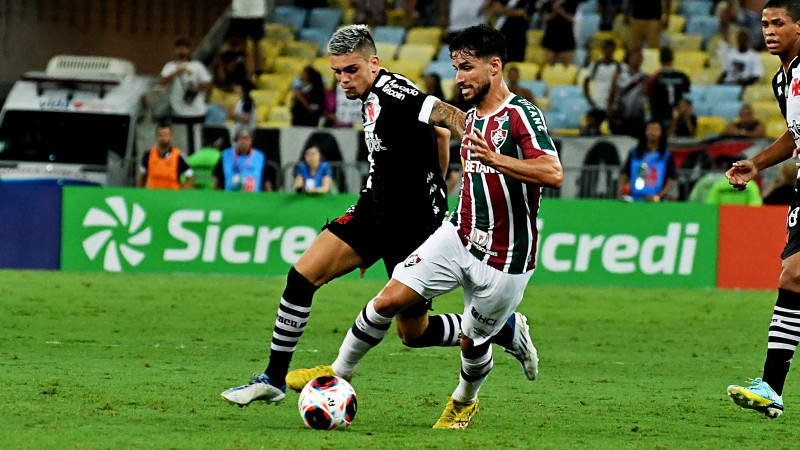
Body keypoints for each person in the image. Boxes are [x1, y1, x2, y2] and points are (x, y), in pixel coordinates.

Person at [220, 24, 539, 407]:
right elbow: (435, 137)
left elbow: (448, 119)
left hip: (413, 228)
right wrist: (435, 179)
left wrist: (451, 176)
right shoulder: (367, 97)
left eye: (351, 70)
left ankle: (503, 329)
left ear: (374, 63)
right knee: (301, 277)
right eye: (337, 72)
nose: (343, 79)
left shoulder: (395, 91)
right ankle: (272, 378)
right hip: (373, 212)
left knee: (413, 334)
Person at [725, 0, 800, 419]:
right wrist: (757, 163)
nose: (769, 30)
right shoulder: (781, 81)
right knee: (792, 280)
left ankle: (772, 386)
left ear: (799, 26)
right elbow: (794, 134)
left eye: (779, 23)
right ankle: (771, 388)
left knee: (793, 275)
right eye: (765, 24)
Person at [160, 38, 214, 155]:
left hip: (196, 111)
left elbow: (209, 84)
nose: (182, 50)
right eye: (179, 47)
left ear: (189, 50)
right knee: (180, 144)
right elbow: (162, 80)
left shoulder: (197, 66)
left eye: (185, 47)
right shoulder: (170, 66)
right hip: (178, 111)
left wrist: (197, 88)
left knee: (197, 142)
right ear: (175, 50)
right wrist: (176, 72)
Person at [619, 120, 676, 202]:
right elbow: (625, 174)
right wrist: (623, 192)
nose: (652, 132)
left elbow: (670, 181)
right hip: (634, 200)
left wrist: (658, 197)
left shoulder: (666, 156)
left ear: (661, 134)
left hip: (655, 201)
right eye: (649, 129)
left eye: (656, 130)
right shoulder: (634, 152)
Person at [212, 127, 272, 192]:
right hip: (230, 196)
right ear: (237, 140)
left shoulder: (259, 157)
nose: (244, 142)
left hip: (253, 197)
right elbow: (217, 179)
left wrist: (270, 196)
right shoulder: (226, 155)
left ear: (251, 141)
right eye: (241, 139)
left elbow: (266, 181)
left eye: (247, 139)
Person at [645, 47, 691, 129]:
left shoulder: (656, 77)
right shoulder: (682, 76)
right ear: (672, 59)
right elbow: (688, 92)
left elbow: (646, 91)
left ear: (660, 60)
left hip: (659, 117)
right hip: (677, 117)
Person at [137, 124, 194, 190]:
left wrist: (183, 191)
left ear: (171, 136)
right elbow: (142, 178)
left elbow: (190, 175)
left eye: (166, 135)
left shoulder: (178, 156)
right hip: (152, 195)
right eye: (161, 135)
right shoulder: (148, 155)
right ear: (157, 137)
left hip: (172, 196)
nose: (164, 138)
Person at [689, 155, 762, 205]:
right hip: (744, 218)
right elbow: (755, 206)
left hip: (722, 218)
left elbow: (712, 204)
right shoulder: (750, 185)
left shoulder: (719, 184)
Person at [583, 39, 623, 127]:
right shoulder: (595, 65)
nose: (608, 51)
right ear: (602, 50)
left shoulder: (618, 66)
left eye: (610, 49)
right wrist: (588, 98)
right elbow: (586, 81)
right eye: (606, 49)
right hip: (597, 100)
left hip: (611, 103)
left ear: (614, 50)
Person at [608, 49, 648, 137]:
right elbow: (612, 93)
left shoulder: (644, 77)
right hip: (619, 115)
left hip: (635, 117)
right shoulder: (619, 75)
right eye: (634, 57)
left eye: (639, 57)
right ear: (628, 58)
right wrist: (609, 112)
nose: (636, 60)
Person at [226, 0, 266, 76]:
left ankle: (259, 71)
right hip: (239, 12)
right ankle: (239, 72)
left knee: (257, 43)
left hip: (256, 13)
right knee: (239, 45)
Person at [540, 0, 579, 66]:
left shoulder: (572, 3)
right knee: (549, 66)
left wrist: (560, 11)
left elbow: (572, 19)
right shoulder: (548, 3)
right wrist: (555, 10)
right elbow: (546, 18)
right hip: (551, 37)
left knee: (567, 67)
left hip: (566, 37)